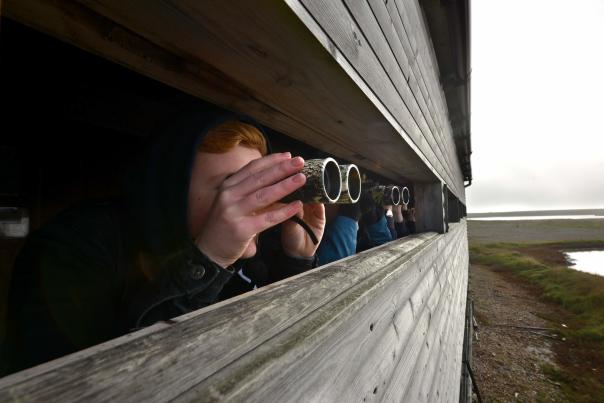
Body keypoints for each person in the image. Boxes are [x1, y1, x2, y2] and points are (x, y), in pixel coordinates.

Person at [2, 113, 325, 375]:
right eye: (232, 187)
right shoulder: (71, 248)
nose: (254, 202)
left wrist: (296, 260)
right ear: (170, 190)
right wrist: (208, 259)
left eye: (260, 186)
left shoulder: (248, 257)